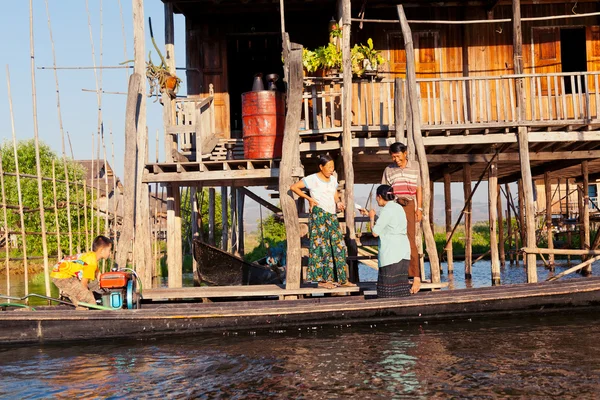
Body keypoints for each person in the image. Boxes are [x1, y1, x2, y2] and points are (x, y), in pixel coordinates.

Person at [290, 154, 355, 289]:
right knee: (322, 247)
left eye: (333, 167)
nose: (331, 169)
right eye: (329, 167)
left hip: (331, 215)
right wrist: (309, 199)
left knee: (339, 245)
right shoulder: (312, 179)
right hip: (319, 214)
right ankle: (323, 281)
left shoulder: (333, 179)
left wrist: (338, 203)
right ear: (321, 167)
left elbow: (334, 194)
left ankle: (342, 279)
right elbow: (294, 187)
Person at [381, 142, 422, 294]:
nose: (396, 160)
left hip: (410, 205)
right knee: (395, 241)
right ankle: (401, 276)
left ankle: (416, 276)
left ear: (405, 153)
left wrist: (419, 208)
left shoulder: (415, 165)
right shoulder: (388, 170)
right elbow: (385, 191)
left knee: (410, 240)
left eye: (398, 156)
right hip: (395, 206)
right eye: (393, 157)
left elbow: (419, 188)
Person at [361, 185, 411, 298]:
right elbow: (389, 223)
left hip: (391, 252)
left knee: (387, 289)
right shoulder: (398, 208)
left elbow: (375, 232)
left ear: (379, 196)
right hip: (403, 250)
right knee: (400, 287)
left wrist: (371, 218)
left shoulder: (386, 210)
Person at [50, 235, 113, 309]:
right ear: (102, 251)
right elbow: (83, 284)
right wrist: (85, 295)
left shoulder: (91, 256)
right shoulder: (91, 263)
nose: (110, 253)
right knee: (88, 300)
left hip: (64, 274)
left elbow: (97, 273)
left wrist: (101, 281)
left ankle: (73, 299)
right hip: (61, 276)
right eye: (109, 250)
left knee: (86, 293)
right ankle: (82, 315)